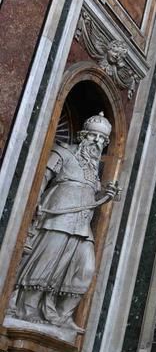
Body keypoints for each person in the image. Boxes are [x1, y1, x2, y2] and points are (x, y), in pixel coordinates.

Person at [13, 113, 118, 330]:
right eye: (93, 136)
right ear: (83, 135)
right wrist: (33, 207)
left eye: (102, 139)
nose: (97, 142)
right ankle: (28, 309)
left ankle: (61, 314)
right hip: (57, 216)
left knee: (86, 268)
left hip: (82, 224)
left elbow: (88, 196)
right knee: (45, 264)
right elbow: (41, 179)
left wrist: (106, 195)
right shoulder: (62, 152)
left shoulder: (94, 168)